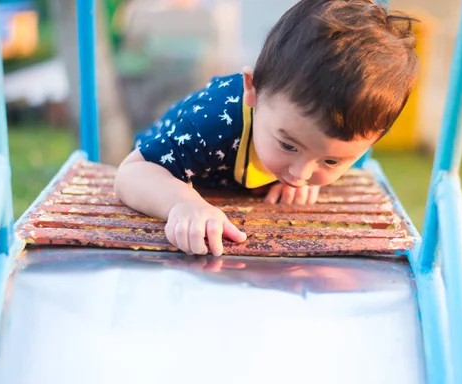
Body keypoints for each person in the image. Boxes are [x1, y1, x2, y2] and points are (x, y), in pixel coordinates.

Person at [114, 0, 418, 257]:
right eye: (288, 145)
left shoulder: (296, 131)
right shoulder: (212, 120)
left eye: (331, 161)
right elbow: (132, 172)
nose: (300, 174)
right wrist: (183, 204)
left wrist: (298, 167)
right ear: (253, 91)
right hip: (166, 171)